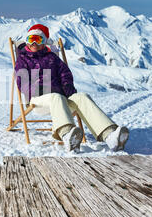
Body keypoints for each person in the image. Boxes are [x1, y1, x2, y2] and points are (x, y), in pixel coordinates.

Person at [14, 24, 129, 152]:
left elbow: (65, 74)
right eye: (31, 39)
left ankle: (110, 136)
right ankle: (67, 134)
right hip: (37, 100)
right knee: (55, 97)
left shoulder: (52, 58)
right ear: (26, 41)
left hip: (59, 99)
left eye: (38, 39)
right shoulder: (22, 59)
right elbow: (22, 82)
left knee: (82, 97)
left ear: (44, 42)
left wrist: (68, 90)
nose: (34, 43)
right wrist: (39, 90)